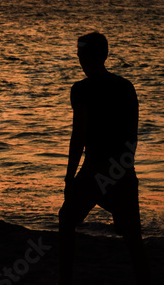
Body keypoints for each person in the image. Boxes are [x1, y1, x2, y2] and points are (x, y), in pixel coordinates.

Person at [58, 32, 150, 284]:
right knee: (133, 238)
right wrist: (125, 169)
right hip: (122, 168)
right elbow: (133, 134)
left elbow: (79, 135)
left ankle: (65, 281)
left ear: (87, 55)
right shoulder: (125, 86)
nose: (77, 56)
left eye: (79, 52)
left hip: (95, 167)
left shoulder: (81, 90)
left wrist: (69, 178)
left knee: (66, 220)